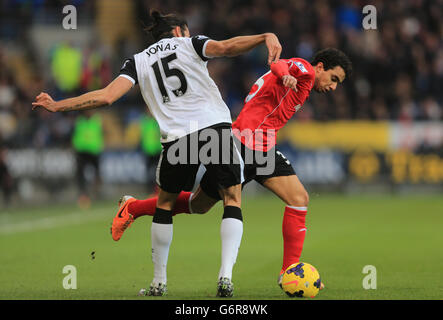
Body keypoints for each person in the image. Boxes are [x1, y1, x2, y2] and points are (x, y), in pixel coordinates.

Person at [32, 10, 282, 297]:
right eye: (186, 32)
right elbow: (226, 47)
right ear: (178, 31)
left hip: (178, 139)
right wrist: (264, 37)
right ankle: (225, 278)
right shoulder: (190, 44)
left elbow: (106, 97)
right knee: (232, 198)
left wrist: (57, 105)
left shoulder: (137, 61)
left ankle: (158, 284)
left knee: (164, 205)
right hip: (214, 129)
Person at [114, 47, 352, 290]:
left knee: (201, 205)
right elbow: (280, 65)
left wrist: (284, 77)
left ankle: (133, 207)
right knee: (293, 198)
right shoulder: (306, 72)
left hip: (257, 146)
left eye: (338, 84)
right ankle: (287, 271)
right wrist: (285, 75)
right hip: (245, 143)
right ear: (321, 67)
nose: (333, 87)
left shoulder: (303, 84)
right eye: (334, 79)